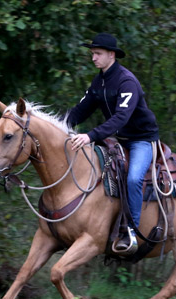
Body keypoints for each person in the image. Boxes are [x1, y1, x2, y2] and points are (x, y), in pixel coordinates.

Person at [68, 33, 159, 254]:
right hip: (117, 140)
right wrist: (58, 126)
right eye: (92, 54)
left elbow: (121, 118)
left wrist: (90, 136)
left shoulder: (127, 81)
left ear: (111, 55)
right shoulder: (98, 81)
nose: (93, 58)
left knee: (134, 178)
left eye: (97, 54)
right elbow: (81, 110)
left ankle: (131, 232)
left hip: (141, 140)